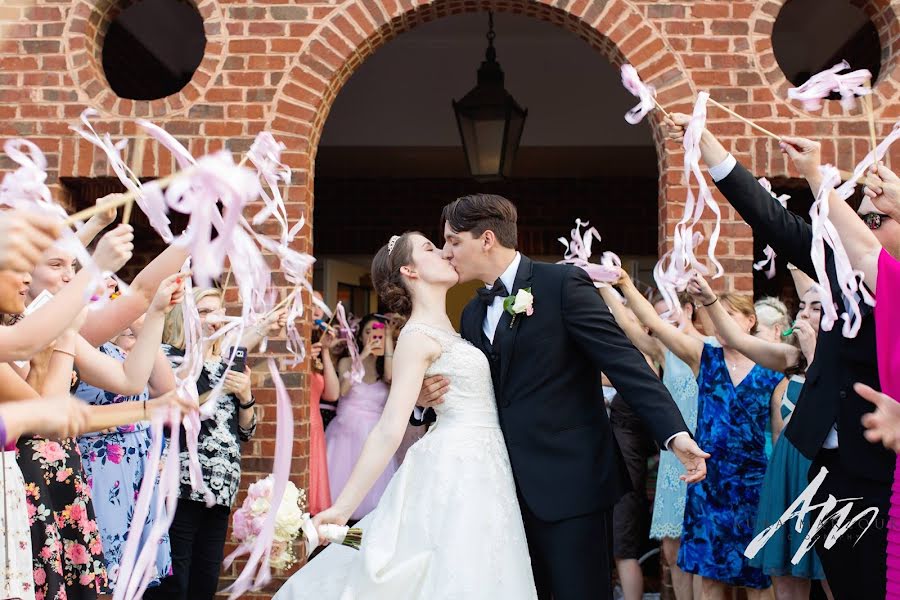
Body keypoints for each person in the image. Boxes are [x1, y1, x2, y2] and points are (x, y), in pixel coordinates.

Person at [421, 194, 707, 600]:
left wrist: (674, 434)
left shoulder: (561, 284)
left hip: (573, 484)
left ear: (486, 239)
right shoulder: (470, 313)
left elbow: (626, 364)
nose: (447, 252)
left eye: (453, 241)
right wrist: (424, 402)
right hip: (500, 489)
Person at [663, 115, 894, 599]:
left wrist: (819, 176)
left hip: (883, 465)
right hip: (822, 461)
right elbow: (770, 218)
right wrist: (707, 143)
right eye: (864, 218)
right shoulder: (838, 269)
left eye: (877, 219)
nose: (864, 227)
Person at [275, 231, 539, 599]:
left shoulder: (457, 327)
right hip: (455, 467)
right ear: (410, 270)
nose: (445, 252)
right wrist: (342, 508)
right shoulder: (415, 337)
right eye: (431, 248)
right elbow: (388, 429)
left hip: (486, 466)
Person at [617, 267, 780, 599]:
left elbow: (778, 436)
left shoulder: (772, 369)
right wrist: (622, 284)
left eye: (729, 316)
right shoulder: (704, 358)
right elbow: (657, 326)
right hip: (709, 485)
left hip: (755, 487)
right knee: (708, 579)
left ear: (750, 321)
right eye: (716, 316)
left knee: (759, 580)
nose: (719, 323)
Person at [688, 272, 831, 599]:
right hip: (787, 478)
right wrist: (710, 298)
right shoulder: (790, 358)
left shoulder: (846, 362)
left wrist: (816, 356)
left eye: (816, 308)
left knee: (833, 575)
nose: (805, 314)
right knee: (785, 582)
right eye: (803, 307)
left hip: (826, 478)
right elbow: (739, 340)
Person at [144, 287, 278, 600]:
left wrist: (245, 395)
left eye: (218, 312)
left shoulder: (228, 364)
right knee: (174, 581)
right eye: (203, 311)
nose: (213, 319)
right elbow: (176, 405)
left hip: (221, 486)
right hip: (181, 485)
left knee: (205, 581)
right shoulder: (171, 358)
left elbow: (244, 432)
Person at [600, 287, 706, 600]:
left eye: (669, 313)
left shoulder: (710, 349)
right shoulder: (665, 352)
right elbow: (630, 327)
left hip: (705, 455)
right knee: (672, 551)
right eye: (658, 316)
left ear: (689, 310)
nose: (662, 323)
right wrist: (609, 285)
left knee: (700, 550)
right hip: (673, 460)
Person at [324, 314, 397, 521]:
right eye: (368, 332)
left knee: (373, 496)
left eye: (378, 333)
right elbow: (342, 392)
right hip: (345, 435)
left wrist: (389, 339)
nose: (373, 337)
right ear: (360, 336)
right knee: (339, 489)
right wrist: (362, 357)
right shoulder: (348, 362)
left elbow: (391, 378)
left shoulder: (386, 366)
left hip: (375, 435)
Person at [308, 291, 339, 515]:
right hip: (300, 427)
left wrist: (325, 351)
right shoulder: (290, 347)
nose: (319, 311)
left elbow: (332, 394)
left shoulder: (317, 349)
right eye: (313, 304)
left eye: (321, 305)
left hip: (315, 427)